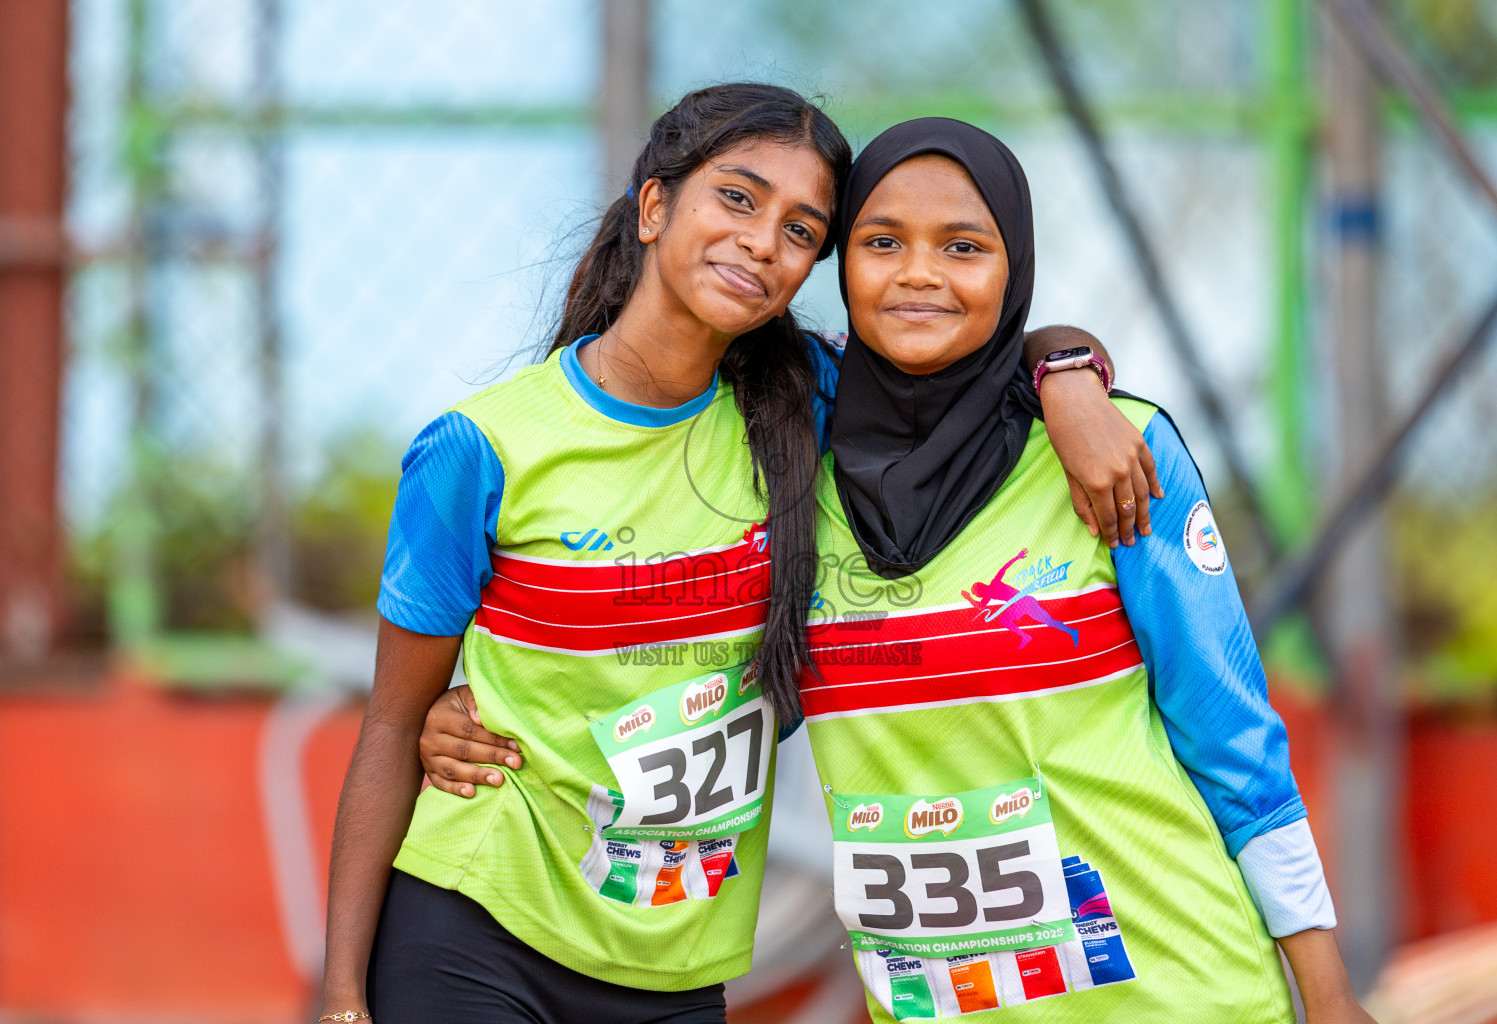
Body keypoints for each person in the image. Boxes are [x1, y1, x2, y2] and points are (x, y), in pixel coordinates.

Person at [424, 118, 1375, 1023]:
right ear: (841, 268)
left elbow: (1237, 746)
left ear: (1017, 270)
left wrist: (1327, 994)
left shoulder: (1117, 459)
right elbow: (677, 654)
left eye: (965, 247)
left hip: (1175, 993)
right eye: (882, 243)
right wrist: (471, 710)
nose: (919, 274)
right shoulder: (789, 468)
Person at [322, 86, 1151, 1024]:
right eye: (739, 198)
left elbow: (980, 352)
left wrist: (1071, 377)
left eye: (803, 231)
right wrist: (344, 994)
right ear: (652, 207)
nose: (764, 242)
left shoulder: (817, 406)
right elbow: (393, 725)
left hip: (678, 964)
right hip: (478, 920)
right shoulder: (481, 448)